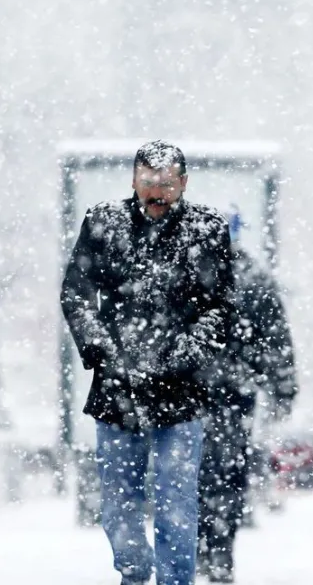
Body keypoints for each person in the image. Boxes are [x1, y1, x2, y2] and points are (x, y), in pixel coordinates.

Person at [61, 140, 234, 585]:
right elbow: (76, 294)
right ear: (133, 180)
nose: (157, 192)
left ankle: (176, 581)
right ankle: (134, 574)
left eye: (167, 183)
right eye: (148, 182)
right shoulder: (103, 223)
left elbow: (220, 306)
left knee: (177, 502)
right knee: (119, 502)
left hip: (181, 390)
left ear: (184, 183)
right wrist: (101, 348)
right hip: (116, 390)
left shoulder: (207, 230)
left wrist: (185, 355)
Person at [197, 207, 297, 583]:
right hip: (234, 395)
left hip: (191, 395)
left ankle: (199, 549)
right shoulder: (253, 276)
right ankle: (220, 549)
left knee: (192, 474)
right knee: (227, 473)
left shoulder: (186, 273)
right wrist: (282, 389)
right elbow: (276, 340)